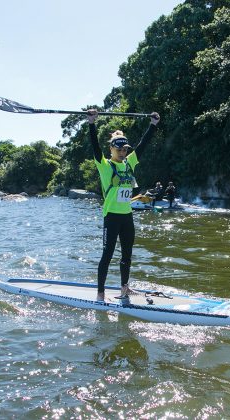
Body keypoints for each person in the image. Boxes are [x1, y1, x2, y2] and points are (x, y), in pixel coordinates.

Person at [87, 108, 161, 301]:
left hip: (127, 216)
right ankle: (100, 294)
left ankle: (124, 288)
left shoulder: (129, 163)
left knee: (127, 255)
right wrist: (92, 124)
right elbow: (95, 148)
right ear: (111, 149)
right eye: (119, 149)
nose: (123, 152)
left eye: (125, 149)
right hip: (111, 216)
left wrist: (153, 125)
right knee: (107, 255)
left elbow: (143, 145)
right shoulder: (105, 166)